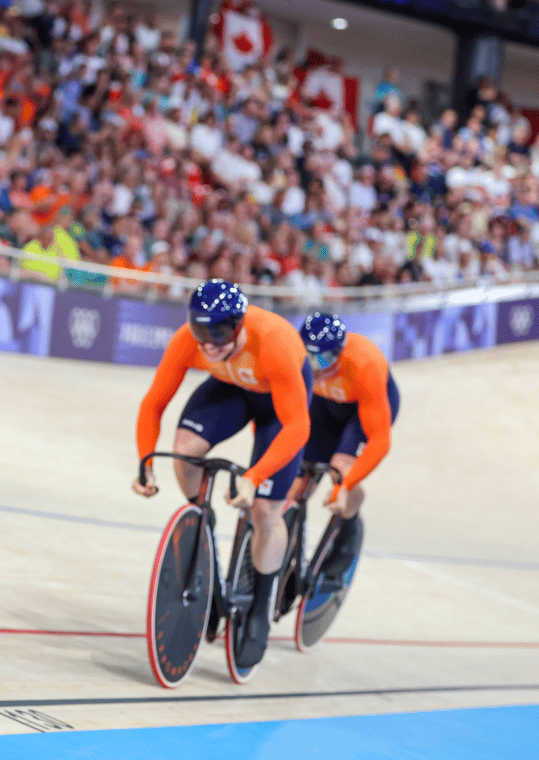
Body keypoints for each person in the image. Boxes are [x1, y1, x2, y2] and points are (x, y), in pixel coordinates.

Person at [131, 279, 312, 669]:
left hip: (277, 407)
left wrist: (254, 475)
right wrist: (145, 460)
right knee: (185, 451)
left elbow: (297, 427)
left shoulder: (274, 341)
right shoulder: (187, 341)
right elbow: (153, 403)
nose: (210, 343)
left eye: (221, 332)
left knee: (265, 511)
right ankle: (202, 525)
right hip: (231, 388)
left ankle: (261, 606)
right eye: (202, 332)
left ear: (240, 324)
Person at [293, 313, 400, 593]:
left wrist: (346, 484)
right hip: (325, 405)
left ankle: (344, 545)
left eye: (325, 360)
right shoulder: (297, 359)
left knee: (340, 468)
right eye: (310, 359)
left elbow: (380, 442)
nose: (316, 367)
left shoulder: (365, 363)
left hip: (360, 412)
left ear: (340, 353)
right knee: (296, 481)